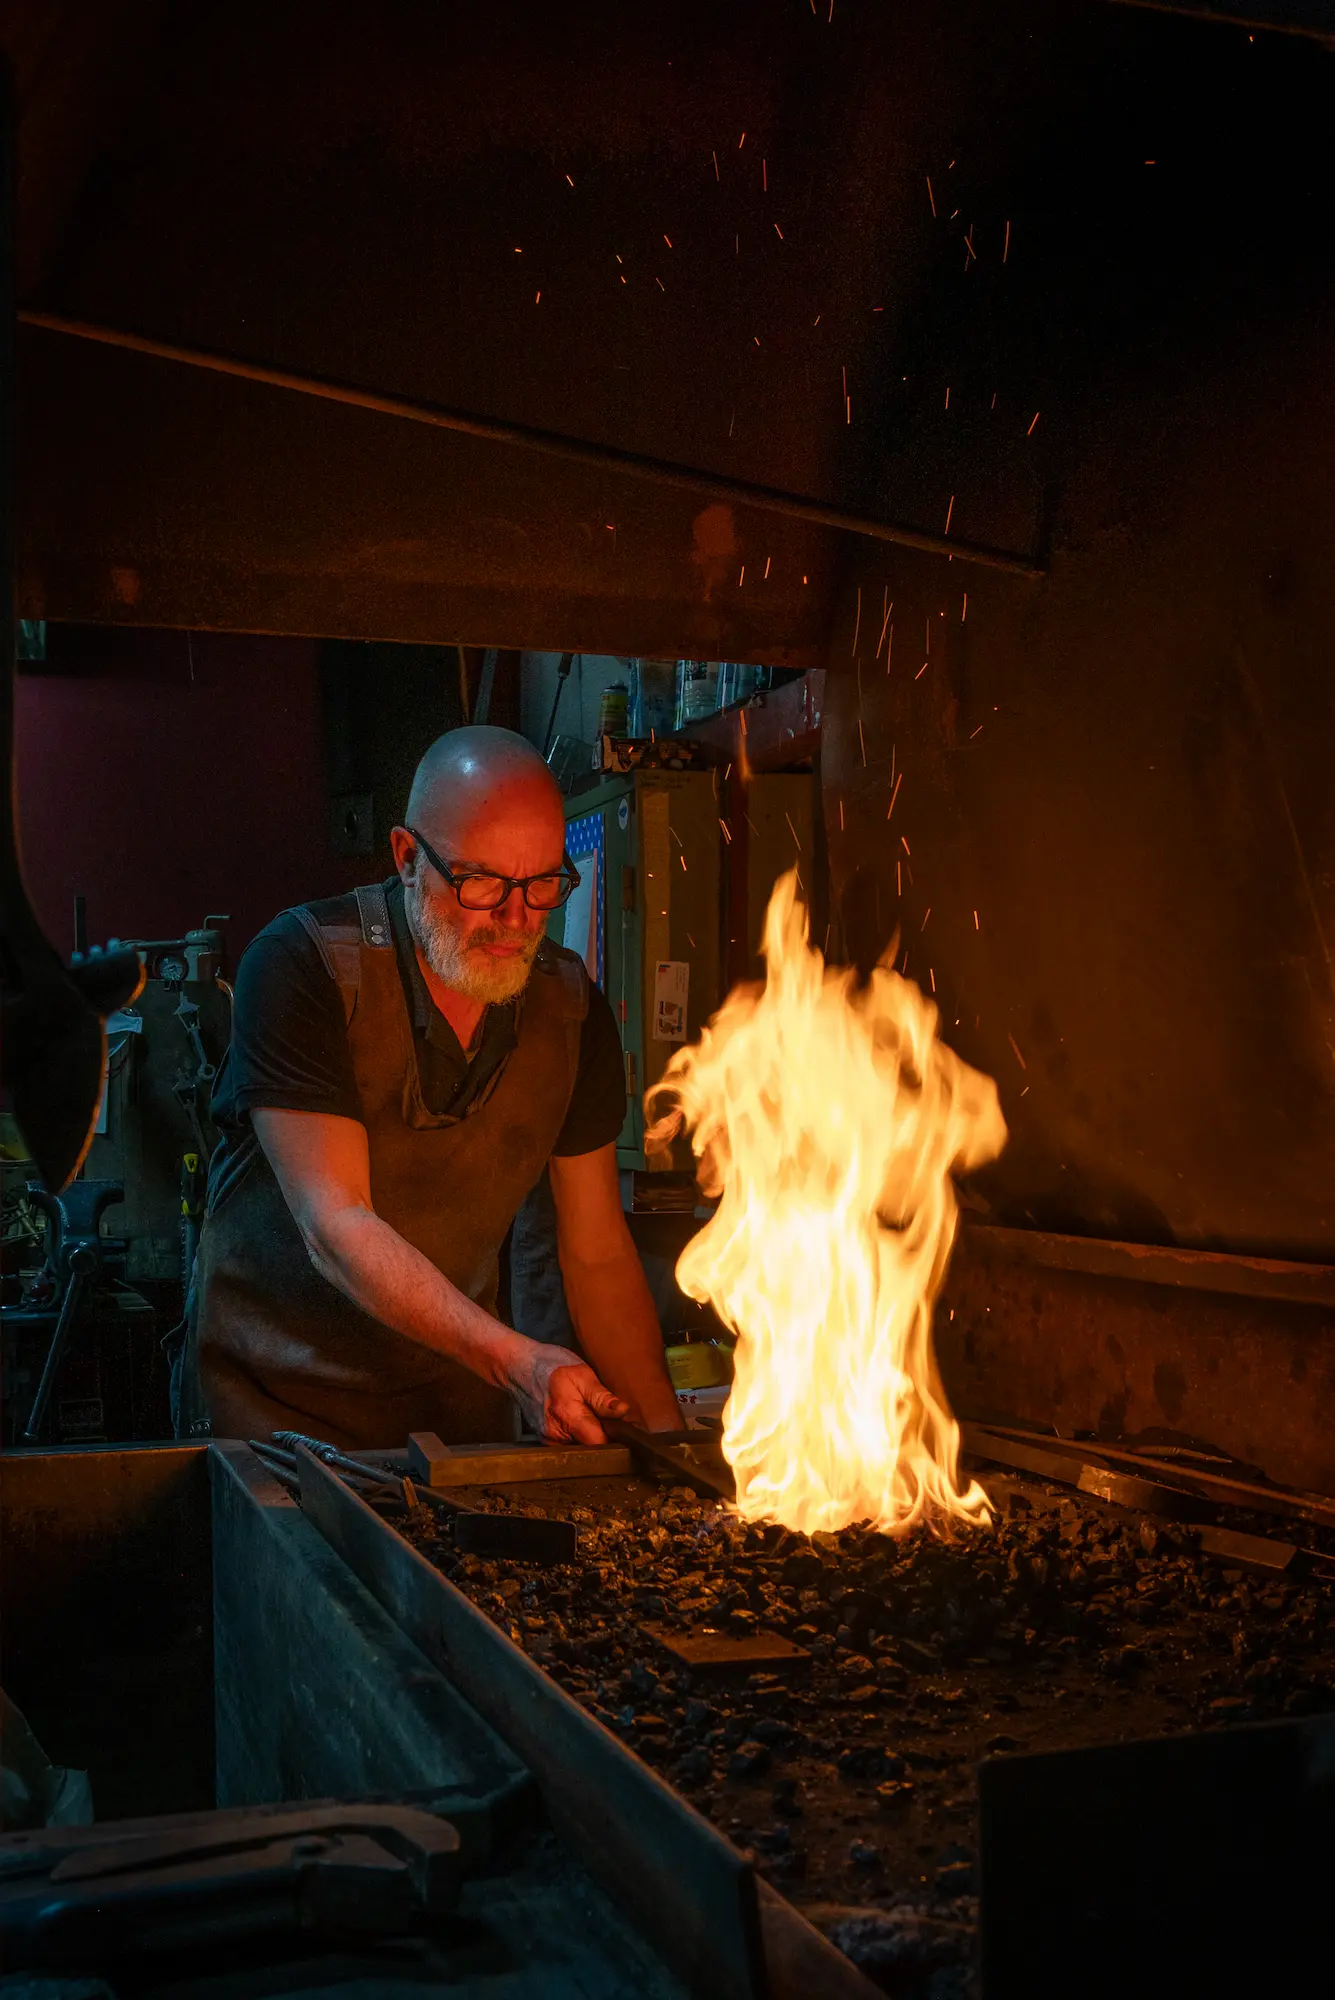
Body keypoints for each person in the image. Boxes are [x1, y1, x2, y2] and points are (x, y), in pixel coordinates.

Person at [174, 725, 683, 1448]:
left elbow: (596, 1251)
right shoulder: (304, 968)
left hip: (455, 1421)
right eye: (481, 883)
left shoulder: (568, 1010)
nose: (516, 918)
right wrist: (518, 1360)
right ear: (407, 858)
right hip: (273, 1414)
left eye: (542, 884)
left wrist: (666, 1448)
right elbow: (336, 1225)